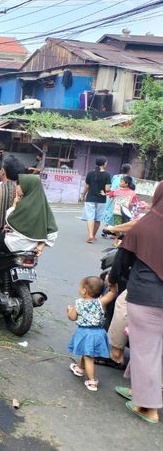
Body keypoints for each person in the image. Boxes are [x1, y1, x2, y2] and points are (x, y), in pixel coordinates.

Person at [107, 182, 163, 424]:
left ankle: (147, 408)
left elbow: (121, 261)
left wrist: (112, 282)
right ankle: (139, 391)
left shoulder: (147, 225)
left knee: (145, 350)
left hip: (146, 297)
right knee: (154, 349)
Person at [0, 174, 58, 278]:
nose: (17, 187)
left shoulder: (24, 204)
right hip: (32, 248)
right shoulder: (43, 205)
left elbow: (9, 219)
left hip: (15, 244)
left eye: (19, 185)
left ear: (27, 187)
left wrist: (14, 204)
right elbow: (52, 231)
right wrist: (40, 246)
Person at [67, 276, 118, 392]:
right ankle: (80, 368)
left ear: (84, 291)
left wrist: (69, 310)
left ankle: (92, 381)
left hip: (85, 333)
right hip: (98, 333)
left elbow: (72, 317)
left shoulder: (79, 303)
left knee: (89, 356)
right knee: (87, 353)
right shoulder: (101, 302)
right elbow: (113, 292)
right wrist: (112, 282)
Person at [80, 157, 112, 244]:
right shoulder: (107, 175)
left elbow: (87, 186)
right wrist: (107, 191)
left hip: (90, 198)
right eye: (106, 163)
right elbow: (107, 189)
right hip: (101, 199)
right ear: (104, 164)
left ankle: (90, 235)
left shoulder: (90, 173)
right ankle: (93, 236)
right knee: (98, 218)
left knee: (90, 217)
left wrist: (83, 195)